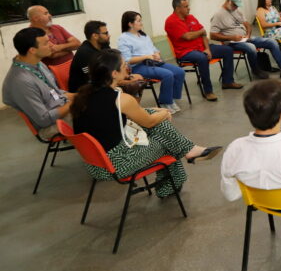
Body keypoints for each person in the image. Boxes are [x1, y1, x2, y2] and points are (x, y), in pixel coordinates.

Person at [71, 50, 221, 198]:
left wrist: (153, 111)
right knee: (168, 143)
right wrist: (164, 112)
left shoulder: (83, 95)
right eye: (123, 65)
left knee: (156, 123)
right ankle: (170, 184)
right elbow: (149, 123)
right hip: (117, 164)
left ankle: (190, 152)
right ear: (114, 73)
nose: (127, 67)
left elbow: (130, 114)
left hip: (95, 163)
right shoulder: (121, 99)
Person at [165, 0, 243, 102]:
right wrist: (200, 33)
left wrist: (207, 49)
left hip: (202, 48)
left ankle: (227, 81)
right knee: (203, 58)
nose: (189, 8)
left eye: (188, 6)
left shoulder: (191, 17)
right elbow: (188, 36)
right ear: (178, 8)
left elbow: (204, 34)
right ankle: (208, 91)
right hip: (186, 52)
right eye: (186, 6)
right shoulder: (171, 21)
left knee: (227, 50)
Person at [209, 0, 281, 80]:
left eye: (237, 5)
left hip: (244, 38)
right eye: (235, 5)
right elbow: (213, 36)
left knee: (271, 42)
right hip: (231, 42)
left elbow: (248, 25)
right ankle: (256, 69)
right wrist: (232, 38)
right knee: (251, 47)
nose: (236, 7)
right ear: (228, 1)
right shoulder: (218, 15)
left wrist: (248, 34)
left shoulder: (236, 11)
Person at [3, 27, 74, 139]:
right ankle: (107, 154)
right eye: (46, 43)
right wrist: (73, 104)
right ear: (32, 50)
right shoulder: (20, 82)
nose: (51, 44)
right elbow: (44, 120)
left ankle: (105, 152)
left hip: (61, 107)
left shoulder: (38, 64)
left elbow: (55, 93)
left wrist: (80, 95)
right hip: (49, 126)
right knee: (95, 116)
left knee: (98, 104)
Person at [119, 11, 187, 112]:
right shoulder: (124, 38)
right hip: (138, 67)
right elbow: (127, 60)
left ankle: (171, 99)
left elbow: (154, 48)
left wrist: (157, 55)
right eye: (138, 21)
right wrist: (146, 56)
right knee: (168, 74)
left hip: (153, 62)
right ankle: (164, 102)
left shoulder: (143, 35)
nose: (141, 23)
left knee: (179, 72)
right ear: (130, 24)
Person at [70, 20, 144, 93]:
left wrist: (128, 76)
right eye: (105, 33)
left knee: (137, 81)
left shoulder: (104, 45)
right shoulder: (84, 53)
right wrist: (127, 82)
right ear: (95, 36)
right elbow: (95, 80)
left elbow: (114, 64)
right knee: (134, 85)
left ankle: (130, 104)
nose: (109, 35)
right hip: (86, 90)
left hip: (104, 82)